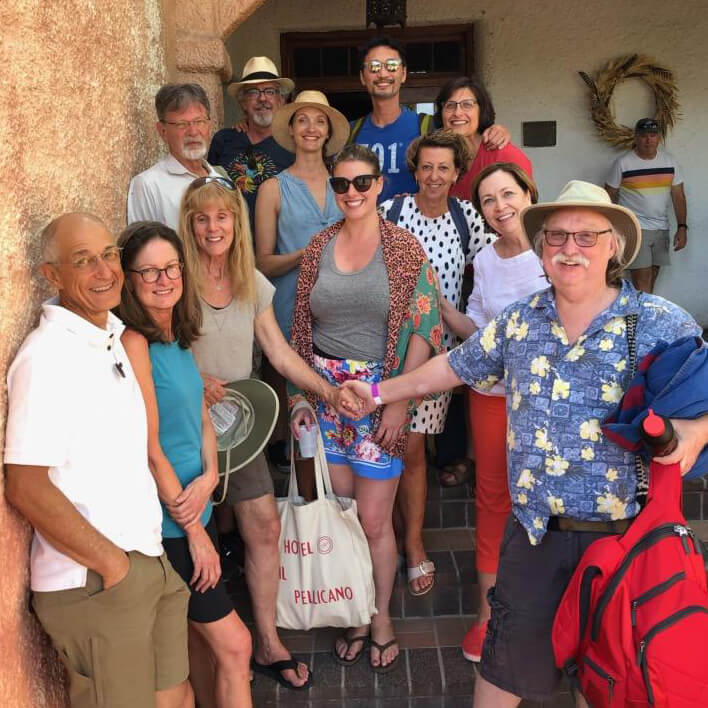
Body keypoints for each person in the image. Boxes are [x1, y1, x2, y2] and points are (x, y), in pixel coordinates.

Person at [341, 180, 707, 706]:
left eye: (586, 236)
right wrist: (378, 393)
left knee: (609, 679)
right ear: (541, 249)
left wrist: (697, 429)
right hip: (535, 536)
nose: (569, 248)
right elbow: (451, 367)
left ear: (614, 247)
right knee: (501, 678)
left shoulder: (658, 321)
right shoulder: (521, 320)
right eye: (556, 236)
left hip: (624, 540)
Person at [178, 175, 361, 690]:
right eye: (202, 218)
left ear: (237, 221)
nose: (214, 227)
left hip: (238, 427)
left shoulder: (249, 282)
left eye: (223, 216)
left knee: (263, 527)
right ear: (188, 225)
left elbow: (279, 353)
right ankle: (201, 651)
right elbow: (152, 350)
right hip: (182, 430)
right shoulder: (175, 279)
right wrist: (193, 378)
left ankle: (266, 640)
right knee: (196, 537)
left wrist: (327, 392)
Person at [4, 213, 193, 708]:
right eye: (83, 261)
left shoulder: (111, 337)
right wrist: (113, 566)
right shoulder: (46, 357)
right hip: (96, 583)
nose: (104, 270)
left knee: (176, 697)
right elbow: (24, 484)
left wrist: (141, 563)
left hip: (147, 563)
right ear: (52, 275)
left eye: (108, 254)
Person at [289, 144, 443, 673]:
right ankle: (354, 608)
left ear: (379, 185)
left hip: (380, 393)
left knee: (377, 520)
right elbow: (301, 329)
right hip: (328, 394)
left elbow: (425, 324)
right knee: (347, 515)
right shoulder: (317, 248)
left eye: (362, 182)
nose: (351, 192)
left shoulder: (403, 248)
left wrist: (400, 399)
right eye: (341, 184)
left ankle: (380, 617)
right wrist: (303, 399)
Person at [117, 221, 252, 707]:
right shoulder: (135, 342)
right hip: (173, 526)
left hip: (200, 506)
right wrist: (194, 531)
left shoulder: (176, 332)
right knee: (237, 647)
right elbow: (150, 447)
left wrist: (213, 476)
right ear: (129, 280)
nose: (163, 279)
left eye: (170, 267)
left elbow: (200, 417)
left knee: (198, 643)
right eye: (148, 271)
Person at [440, 162, 545, 662]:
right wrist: (438, 305)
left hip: (546, 403)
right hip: (491, 396)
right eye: (488, 199)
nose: (501, 207)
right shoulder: (483, 260)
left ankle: (545, 613)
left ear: (529, 194)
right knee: (492, 498)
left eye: (509, 194)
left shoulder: (554, 253)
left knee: (545, 498)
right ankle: (487, 618)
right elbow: (478, 332)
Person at [378, 129, 490, 596]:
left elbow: (499, 263)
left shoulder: (467, 218)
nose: (434, 175)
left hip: (437, 355)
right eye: (426, 166)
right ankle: (384, 540)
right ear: (414, 169)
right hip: (382, 348)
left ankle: (414, 544)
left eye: (444, 167)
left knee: (413, 449)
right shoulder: (392, 211)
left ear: (457, 173)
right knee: (386, 448)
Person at [254, 90, 349, 483]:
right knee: (302, 418)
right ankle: (310, 509)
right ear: (291, 130)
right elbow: (262, 263)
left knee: (339, 409)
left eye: (320, 120)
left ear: (328, 132)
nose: (311, 128)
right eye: (303, 120)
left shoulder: (345, 185)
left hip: (341, 316)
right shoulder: (273, 189)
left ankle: (340, 499)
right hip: (292, 313)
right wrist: (306, 253)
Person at [349, 36, 510, 203]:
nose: (382, 73)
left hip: (420, 226)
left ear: (403, 73)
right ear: (362, 76)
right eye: (374, 67)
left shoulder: (430, 127)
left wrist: (494, 130)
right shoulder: (349, 133)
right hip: (364, 227)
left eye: (391, 65)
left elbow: (466, 136)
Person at [208, 56, 295, 228]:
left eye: (270, 91)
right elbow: (208, 194)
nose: (262, 99)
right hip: (231, 247)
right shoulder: (224, 140)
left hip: (278, 250)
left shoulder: (293, 145)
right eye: (253, 92)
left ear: (281, 100)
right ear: (243, 103)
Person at [605, 117, 687, 294]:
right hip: (636, 228)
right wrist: (611, 229)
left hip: (661, 229)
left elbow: (678, 196)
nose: (648, 140)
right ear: (635, 138)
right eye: (643, 136)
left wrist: (682, 227)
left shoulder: (670, 162)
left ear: (659, 138)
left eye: (652, 135)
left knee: (651, 279)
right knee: (642, 282)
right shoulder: (623, 163)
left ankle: (638, 316)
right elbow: (608, 196)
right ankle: (643, 320)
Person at [127, 83, 224, 230]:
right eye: (182, 124)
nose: (193, 131)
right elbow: (143, 248)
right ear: (162, 131)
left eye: (199, 122)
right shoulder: (148, 185)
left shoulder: (222, 179)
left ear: (209, 127)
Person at [436, 76, 533, 200]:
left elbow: (524, 211)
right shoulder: (437, 157)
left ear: (481, 110)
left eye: (467, 105)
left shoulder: (505, 157)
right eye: (450, 105)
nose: (457, 113)